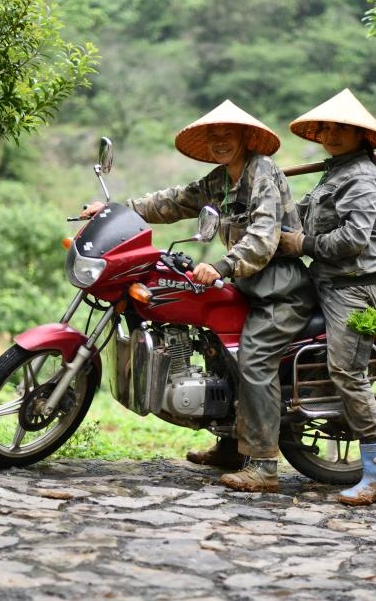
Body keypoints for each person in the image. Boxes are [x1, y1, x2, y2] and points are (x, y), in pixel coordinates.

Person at [80, 100, 316, 492]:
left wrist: (221, 266)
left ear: (245, 137)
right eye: (214, 137)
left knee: (254, 359)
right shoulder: (219, 180)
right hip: (247, 285)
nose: (221, 142)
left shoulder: (263, 174)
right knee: (214, 349)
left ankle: (264, 466)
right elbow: (174, 201)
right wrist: (116, 209)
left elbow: (263, 237)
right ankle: (231, 445)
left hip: (281, 291)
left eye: (228, 135)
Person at [278, 88, 376, 506]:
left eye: (341, 127)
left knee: (347, 370)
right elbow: (303, 213)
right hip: (323, 278)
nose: (331, 132)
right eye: (326, 126)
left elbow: (353, 239)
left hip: (354, 286)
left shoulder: (362, 178)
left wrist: (301, 243)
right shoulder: (335, 172)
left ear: (361, 135)